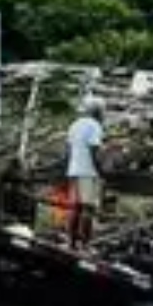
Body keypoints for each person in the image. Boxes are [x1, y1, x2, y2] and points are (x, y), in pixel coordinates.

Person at [66, 97, 105, 249]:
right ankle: (86, 245)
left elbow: (68, 150)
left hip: (74, 170)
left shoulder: (74, 125)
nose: (103, 114)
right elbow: (94, 150)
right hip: (88, 171)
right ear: (97, 111)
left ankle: (71, 243)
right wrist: (100, 171)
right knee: (88, 208)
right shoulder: (95, 126)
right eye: (102, 111)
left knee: (75, 208)